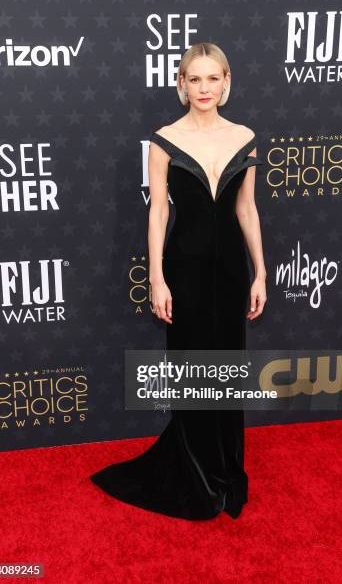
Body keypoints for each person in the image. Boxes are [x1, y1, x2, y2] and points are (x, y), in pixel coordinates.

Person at [90, 41, 267, 520]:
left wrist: (261, 272)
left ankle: (227, 472)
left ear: (226, 83)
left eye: (213, 78)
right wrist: (157, 278)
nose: (204, 88)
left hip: (231, 270)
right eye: (195, 79)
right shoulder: (164, 139)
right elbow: (158, 212)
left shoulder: (246, 136)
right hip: (184, 269)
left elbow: (246, 209)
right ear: (181, 85)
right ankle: (195, 475)